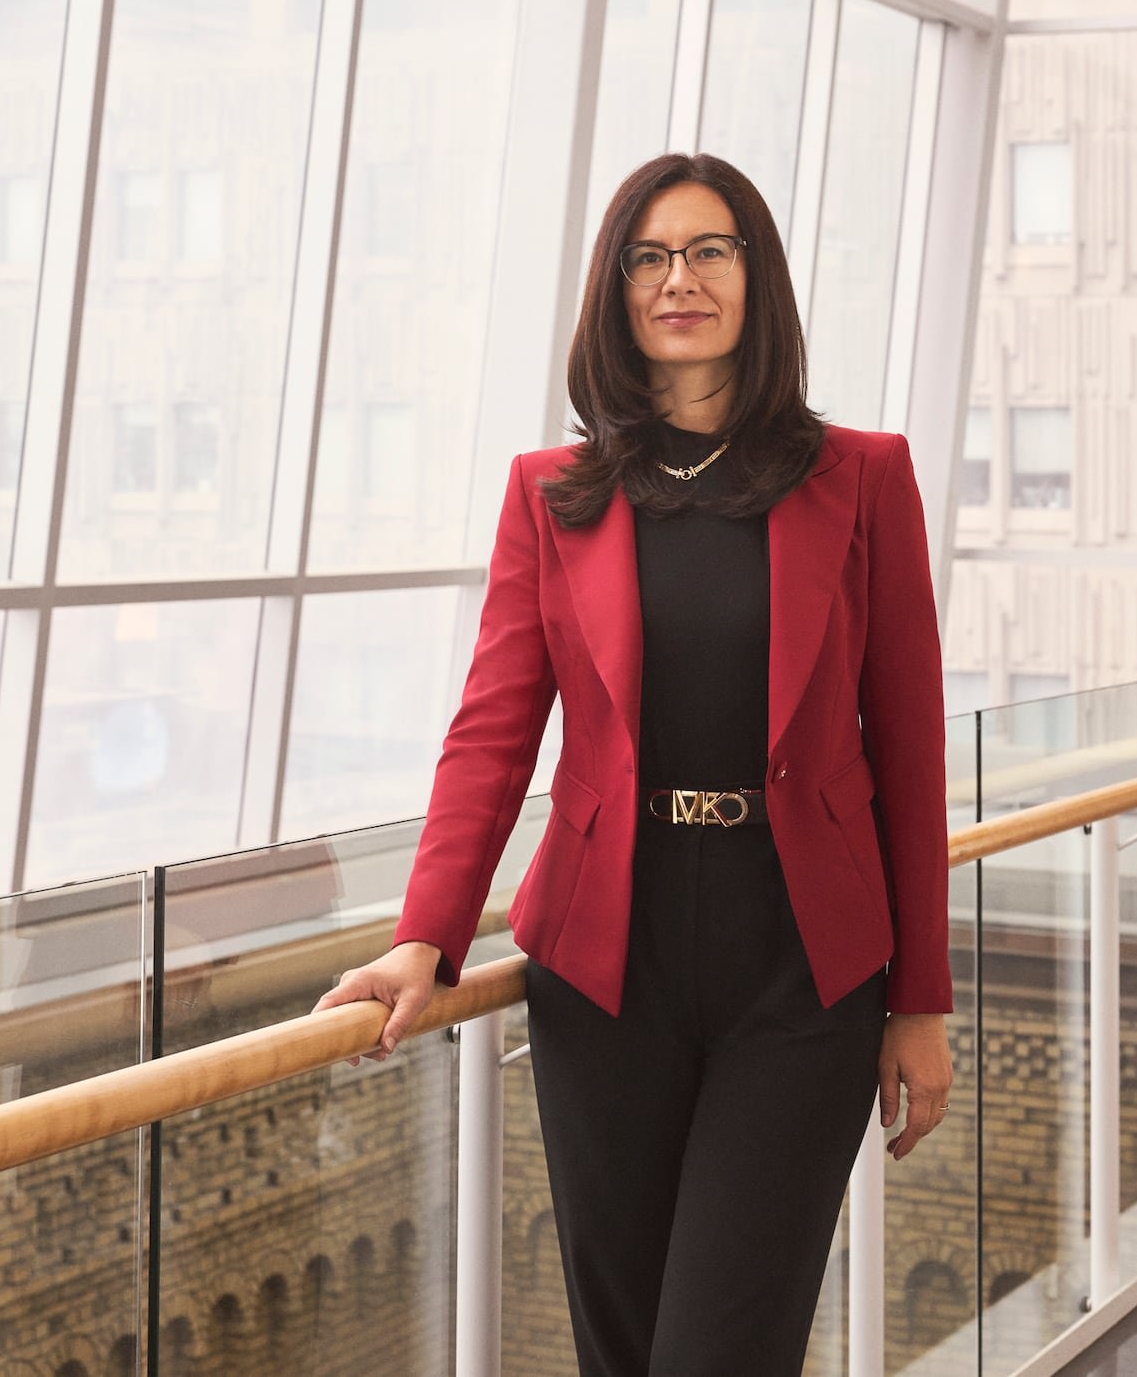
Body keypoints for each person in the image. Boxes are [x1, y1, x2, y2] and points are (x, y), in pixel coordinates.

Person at [314, 152, 953, 1376]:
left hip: (802, 973)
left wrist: (918, 998)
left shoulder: (861, 477)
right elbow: (493, 731)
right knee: (622, 1350)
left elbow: (910, 753)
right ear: (614, 293)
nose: (678, 279)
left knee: (719, 1352)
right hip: (603, 972)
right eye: (647, 257)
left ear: (756, 278)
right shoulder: (549, 493)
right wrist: (424, 937)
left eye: (709, 251)